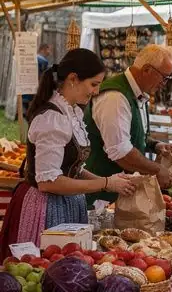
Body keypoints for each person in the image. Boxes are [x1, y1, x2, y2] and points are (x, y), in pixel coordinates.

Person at [0, 50, 134, 256]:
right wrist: (105, 183)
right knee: (45, 271)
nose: (96, 91)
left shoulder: (70, 113)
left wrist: (110, 180)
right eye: (94, 84)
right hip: (44, 208)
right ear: (73, 79)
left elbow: (73, 168)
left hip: (66, 204)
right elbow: (48, 182)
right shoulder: (51, 119)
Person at [85, 43, 172, 193]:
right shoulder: (115, 98)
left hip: (118, 192)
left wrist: (155, 145)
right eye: (164, 78)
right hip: (99, 197)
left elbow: (131, 136)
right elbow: (121, 153)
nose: (164, 84)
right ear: (147, 70)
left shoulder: (137, 94)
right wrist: (157, 170)